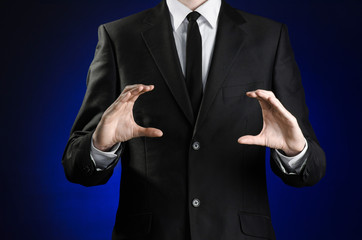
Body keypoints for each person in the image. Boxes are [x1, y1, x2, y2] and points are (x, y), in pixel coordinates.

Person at [62, 0, 326, 239]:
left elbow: (311, 169)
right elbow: (76, 166)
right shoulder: (118, 36)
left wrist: (295, 153)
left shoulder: (269, 37)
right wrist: (100, 146)